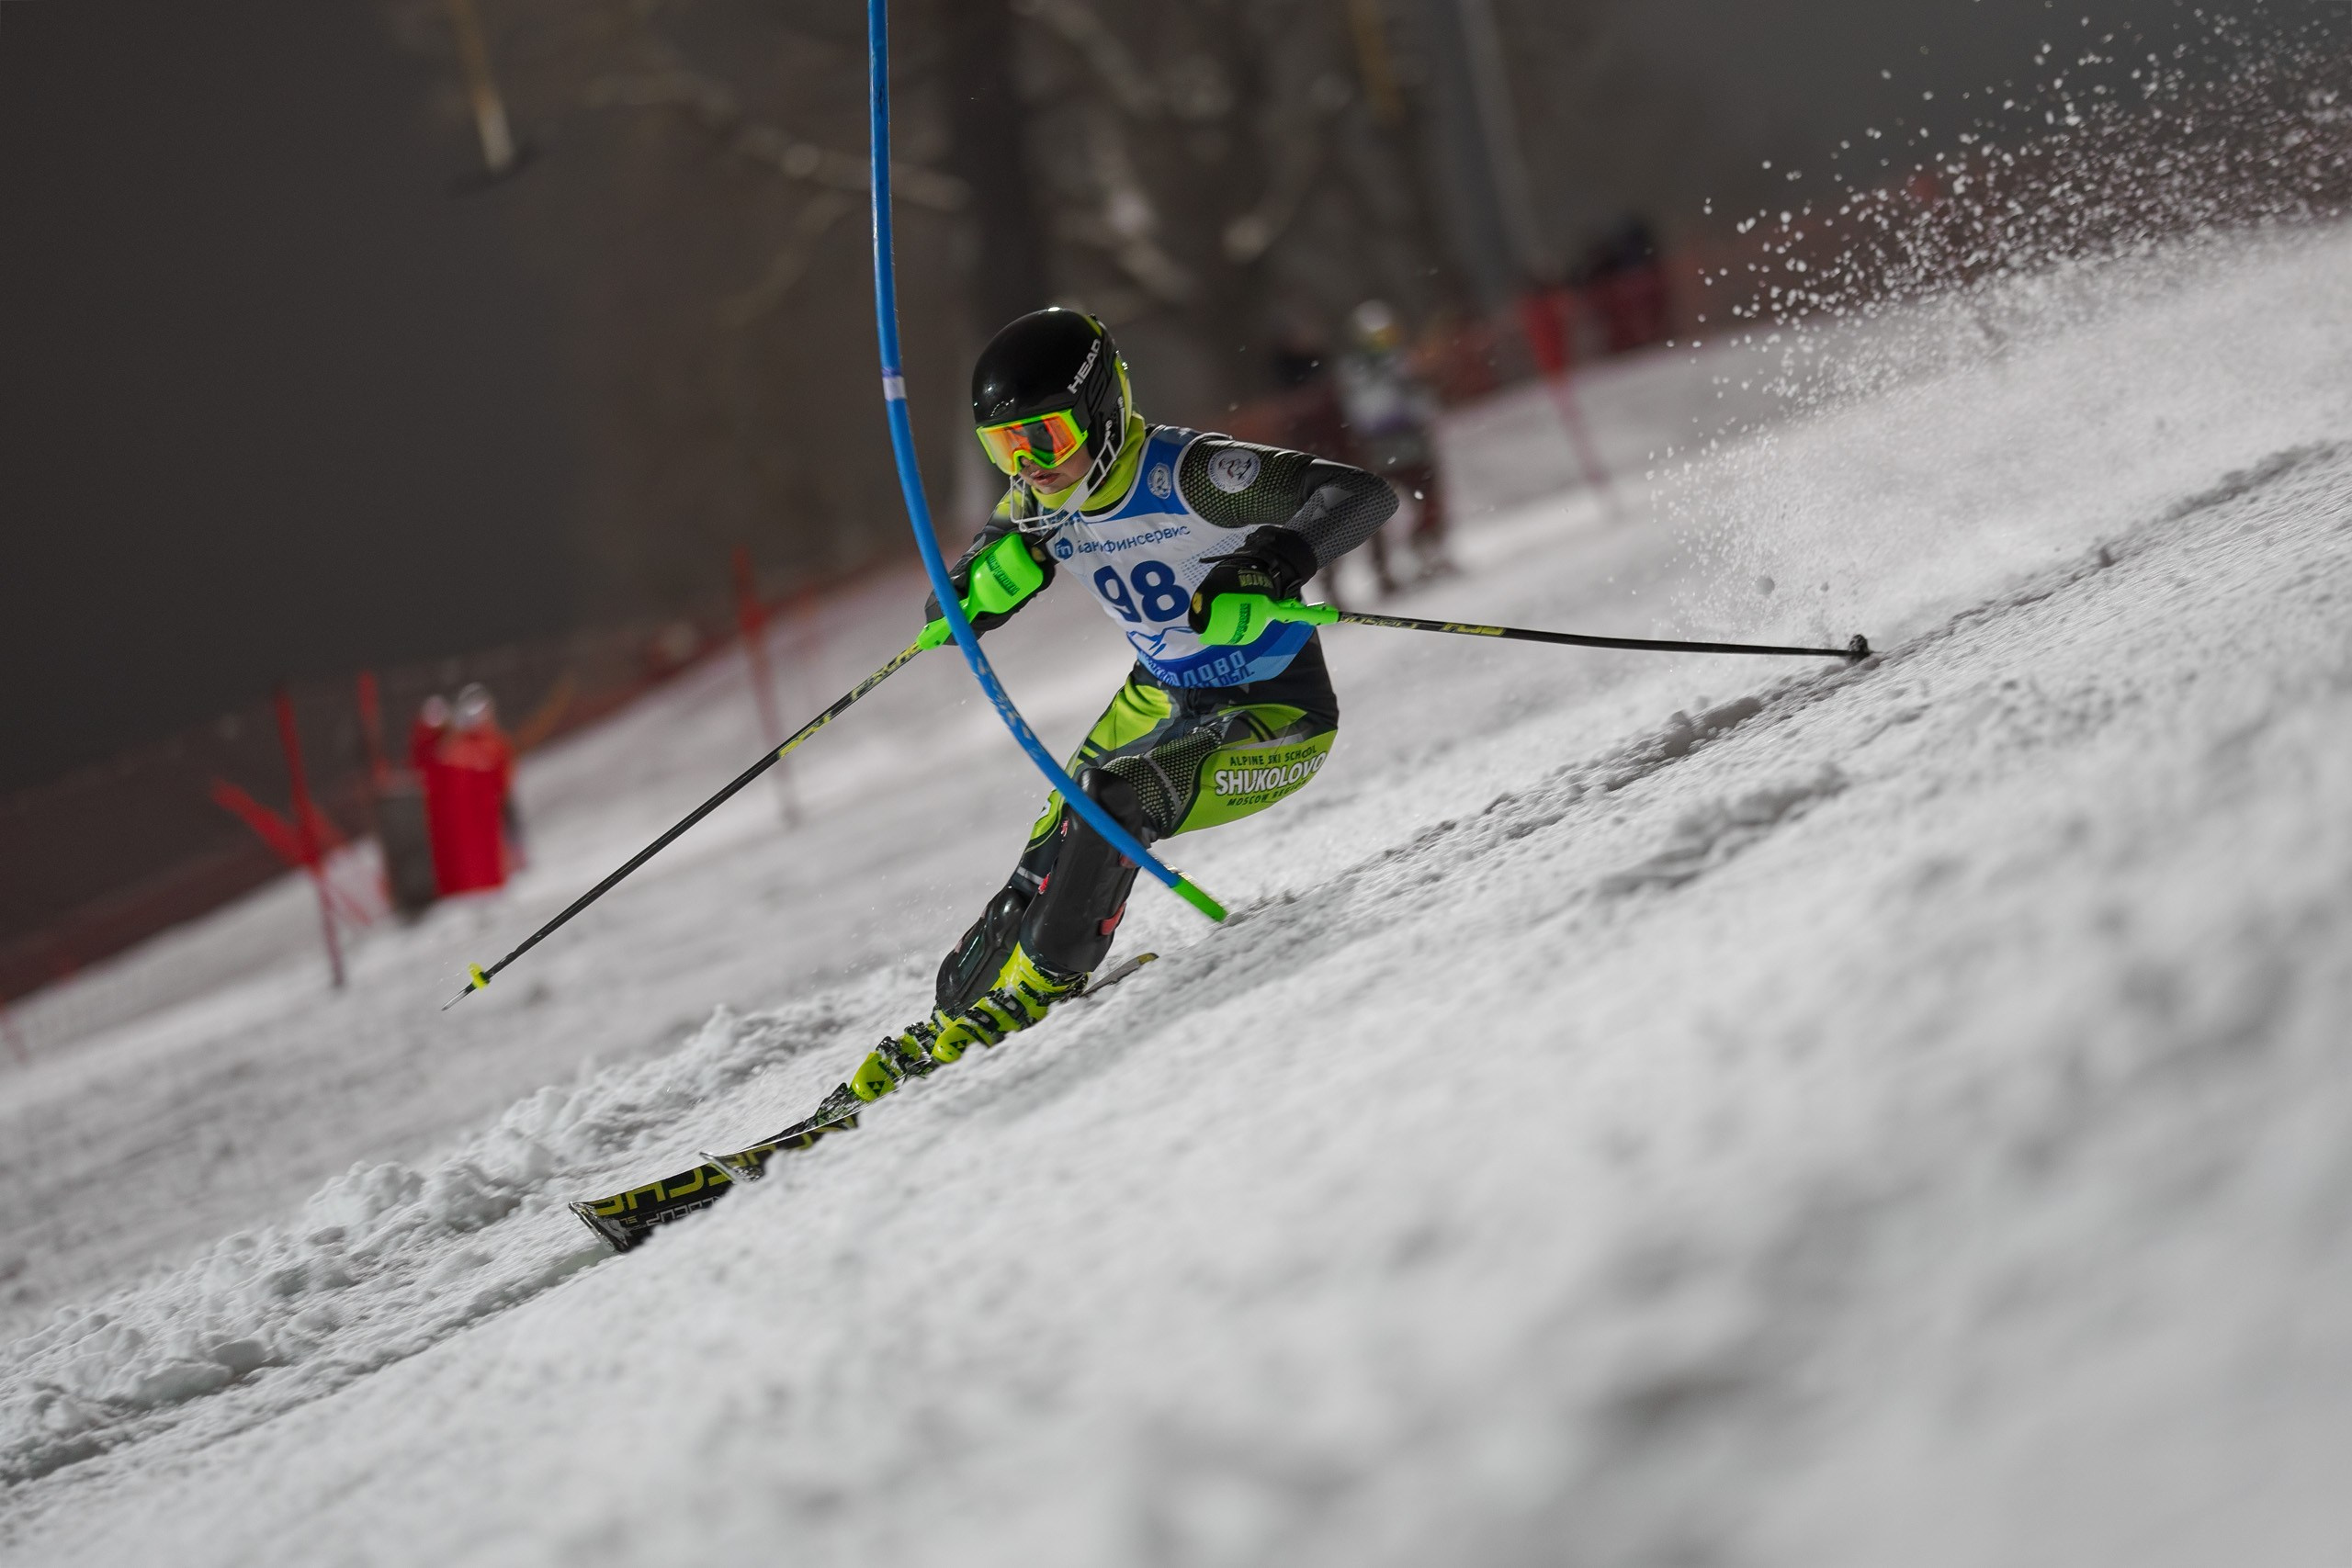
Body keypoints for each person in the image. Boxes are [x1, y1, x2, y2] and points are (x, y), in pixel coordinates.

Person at [846, 307, 1396, 1104]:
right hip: (1160, 699)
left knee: (1113, 800)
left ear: (1103, 414)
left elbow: (1361, 494)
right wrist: (969, 591)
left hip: (1274, 713)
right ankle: (952, 1019)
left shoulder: (1190, 474)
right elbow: (959, 592)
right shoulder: (1037, 502)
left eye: (1048, 438)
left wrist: (1271, 563)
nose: (1032, 466)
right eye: (1008, 447)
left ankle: (1043, 983)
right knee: (1046, 856)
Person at [1335, 300, 1454, 591]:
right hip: (1383, 449)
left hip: (1412, 444)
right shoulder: (1358, 370)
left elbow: (1422, 401)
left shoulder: (1401, 361)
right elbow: (1367, 410)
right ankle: (1384, 572)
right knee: (1377, 511)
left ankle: (1430, 552)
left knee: (1431, 501)